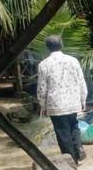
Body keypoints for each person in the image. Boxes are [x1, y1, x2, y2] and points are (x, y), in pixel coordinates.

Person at [37, 35, 88, 163]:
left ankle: (71, 160)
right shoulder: (73, 61)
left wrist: (42, 105)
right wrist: (83, 99)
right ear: (62, 45)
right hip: (73, 101)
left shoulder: (44, 64)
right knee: (74, 126)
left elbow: (42, 88)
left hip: (56, 104)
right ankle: (78, 147)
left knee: (62, 133)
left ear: (47, 48)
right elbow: (81, 81)